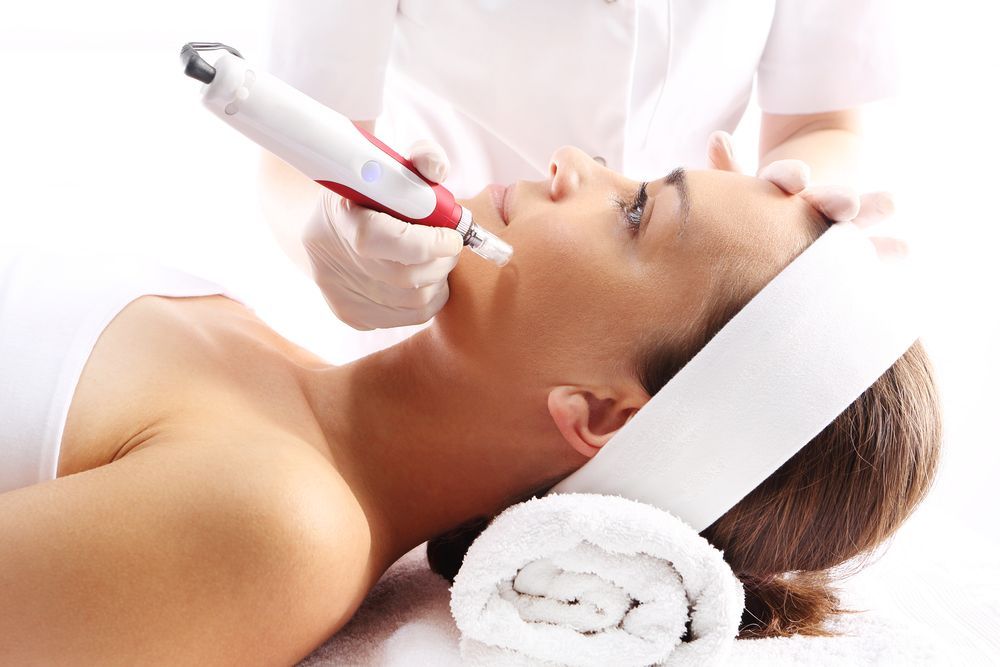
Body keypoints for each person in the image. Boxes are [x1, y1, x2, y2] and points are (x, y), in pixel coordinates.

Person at [0, 149, 939, 663]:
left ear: (602, 414)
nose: (574, 164)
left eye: (635, 211)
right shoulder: (268, 353)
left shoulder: (283, 529)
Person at [259, 0, 897, 332]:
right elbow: (301, 141)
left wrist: (785, 225)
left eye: (639, 212)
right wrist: (331, 235)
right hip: (417, 309)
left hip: (676, 350)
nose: (565, 162)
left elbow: (821, 121)